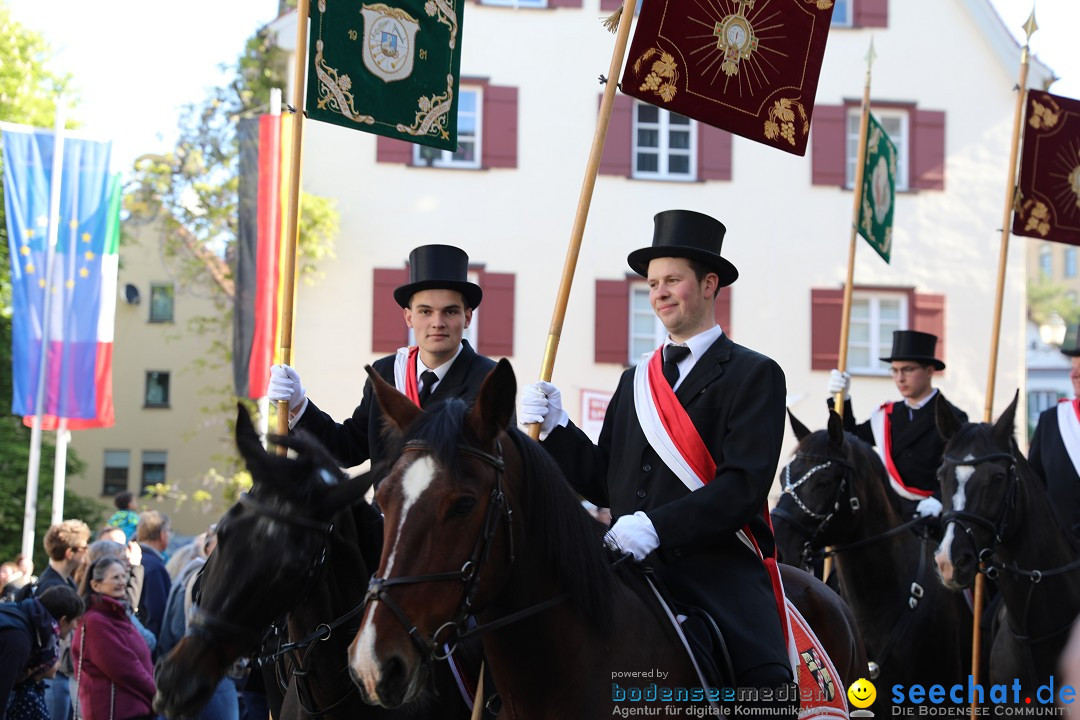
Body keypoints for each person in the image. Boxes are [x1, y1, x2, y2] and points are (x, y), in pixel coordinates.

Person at [520, 210, 794, 703]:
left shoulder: (755, 374)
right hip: (625, 567)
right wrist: (559, 430)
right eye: (652, 284)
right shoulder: (636, 379)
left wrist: (656, 527)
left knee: (765, 688)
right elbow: (607, 481)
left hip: (714, 568)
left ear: (709, 284)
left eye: (673, 280)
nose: (660, 293)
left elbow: (742, 488)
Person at [268, 244, 497, 469]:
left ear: (467, 317)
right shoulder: (387, 373)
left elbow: (503, 462)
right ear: (409, 317)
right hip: (387, 508)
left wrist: (533, 440)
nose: (437, 323)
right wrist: (298, 406)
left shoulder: (489, 377)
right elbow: (347, 448)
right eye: (425, 311)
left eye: (450, 311)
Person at [827, 329, 968, 519]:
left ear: (929, 371)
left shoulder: (953, 418)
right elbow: (850, 440)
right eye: (894, 370)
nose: (900, 378)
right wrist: (841, 399)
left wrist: (939, 499)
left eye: (908, 369)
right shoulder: (888, 415)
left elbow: (962, 470)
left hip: (934, 514)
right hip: (892, 512)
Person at [17, 521, 90, 720]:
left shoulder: (66, 581)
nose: (87, 552)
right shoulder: (52, 586)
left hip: (59, 671)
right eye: (84, 547)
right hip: (51, 674)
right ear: (70, 553)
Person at [71, 558, 155, 720]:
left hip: (135, 710)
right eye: (115, 577)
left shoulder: (118, 614)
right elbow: (126, 669)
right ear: (96, 585)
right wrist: (157, 695)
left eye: (124, 576)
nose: (122, 582)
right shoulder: (96, 621)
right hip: (117, 714)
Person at [1027, 327, 1080, 543]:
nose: (1074, 374)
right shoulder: (1052, 421)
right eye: (1073, 365)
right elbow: (1033, 487)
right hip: (1060, 552)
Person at [0, 586, 84, 717]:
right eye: (75, 621)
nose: (75, 627)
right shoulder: (19, 639)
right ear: (62, 620)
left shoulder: (24, 617)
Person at [135, 511, 171, 640]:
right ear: (162, 535)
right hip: (148, 644)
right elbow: (157, 614)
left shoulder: (133, 559)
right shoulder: (154, 567)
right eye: (168, 531)